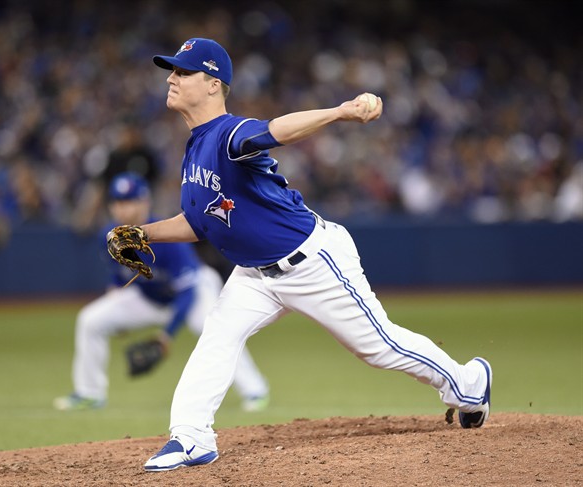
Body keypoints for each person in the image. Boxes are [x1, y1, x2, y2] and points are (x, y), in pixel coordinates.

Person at [114, 38, 492, 472]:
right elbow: (199, 222)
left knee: (379, 347)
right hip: (255, 275)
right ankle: (191, 437)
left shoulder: (229, 133)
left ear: (214, 83)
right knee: (218, 334)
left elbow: (276, 130)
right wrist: (143, 233)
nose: (171, 78)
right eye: (172, 70)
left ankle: (469, 384)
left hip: (312, 262)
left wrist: (338, 112)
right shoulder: (195, 146)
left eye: (183, 72)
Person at [54, 171, 270, 412]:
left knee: (214, 329)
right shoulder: (110, 237)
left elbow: (187, 292)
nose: (123, 209)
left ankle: (254, 390)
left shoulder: (164, 238)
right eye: (118, 203)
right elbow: (119, 276)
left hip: (195, 293)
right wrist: (117, 304)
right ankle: (89, 393)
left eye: (129, 202)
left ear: (145, 201)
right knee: (91, 320)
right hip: (150, 297)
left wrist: (166, 335)